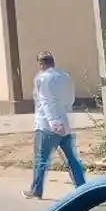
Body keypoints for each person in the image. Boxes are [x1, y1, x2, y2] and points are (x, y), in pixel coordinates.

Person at [25, 51, 86, 199]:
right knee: (72, 159)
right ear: (53, 61)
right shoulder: (65, 76)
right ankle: (83, 188)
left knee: (42, 159)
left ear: (40, 64)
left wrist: (54, 122)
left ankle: (36, 191)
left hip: (47, 125)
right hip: (65, 123)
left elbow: (45, 102)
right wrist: (64, 113)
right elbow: (70, 98)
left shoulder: (42, 79)